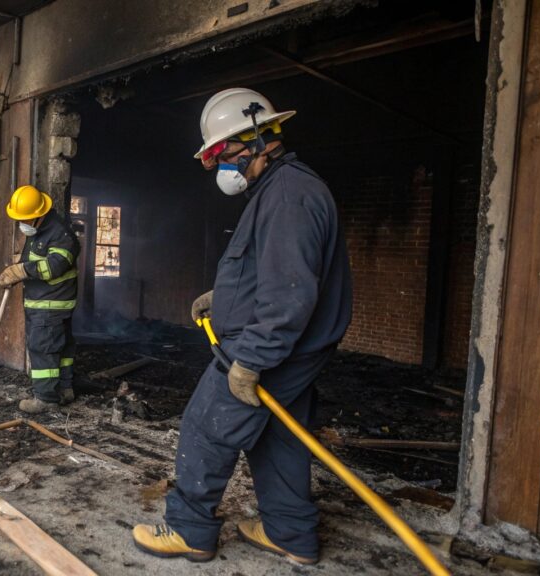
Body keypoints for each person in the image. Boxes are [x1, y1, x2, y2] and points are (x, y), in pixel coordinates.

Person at [132, 88, 353, 565]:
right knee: (279, 436)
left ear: (255, 140)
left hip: (269, 347)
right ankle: (290, 534)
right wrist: (224, 297)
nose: (217, 168)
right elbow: (273, 272)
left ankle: (190, 530)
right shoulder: (281, 190)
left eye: (220, 154)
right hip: (288, 345)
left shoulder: (289, 197)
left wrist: (250, 360)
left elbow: (289, 294)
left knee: (207, 426)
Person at [0, 185, 81, 413]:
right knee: (61, 349)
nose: (21, 224)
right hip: (48, 304)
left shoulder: (61, 234)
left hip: (50, 305)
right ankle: (63, 390)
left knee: (42, 348)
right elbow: (36, 261)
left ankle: (45, 399)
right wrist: (21, 267)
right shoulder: (41, 232)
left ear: (39, 214)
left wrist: (22, 271)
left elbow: (54, 267)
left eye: (25, 219)